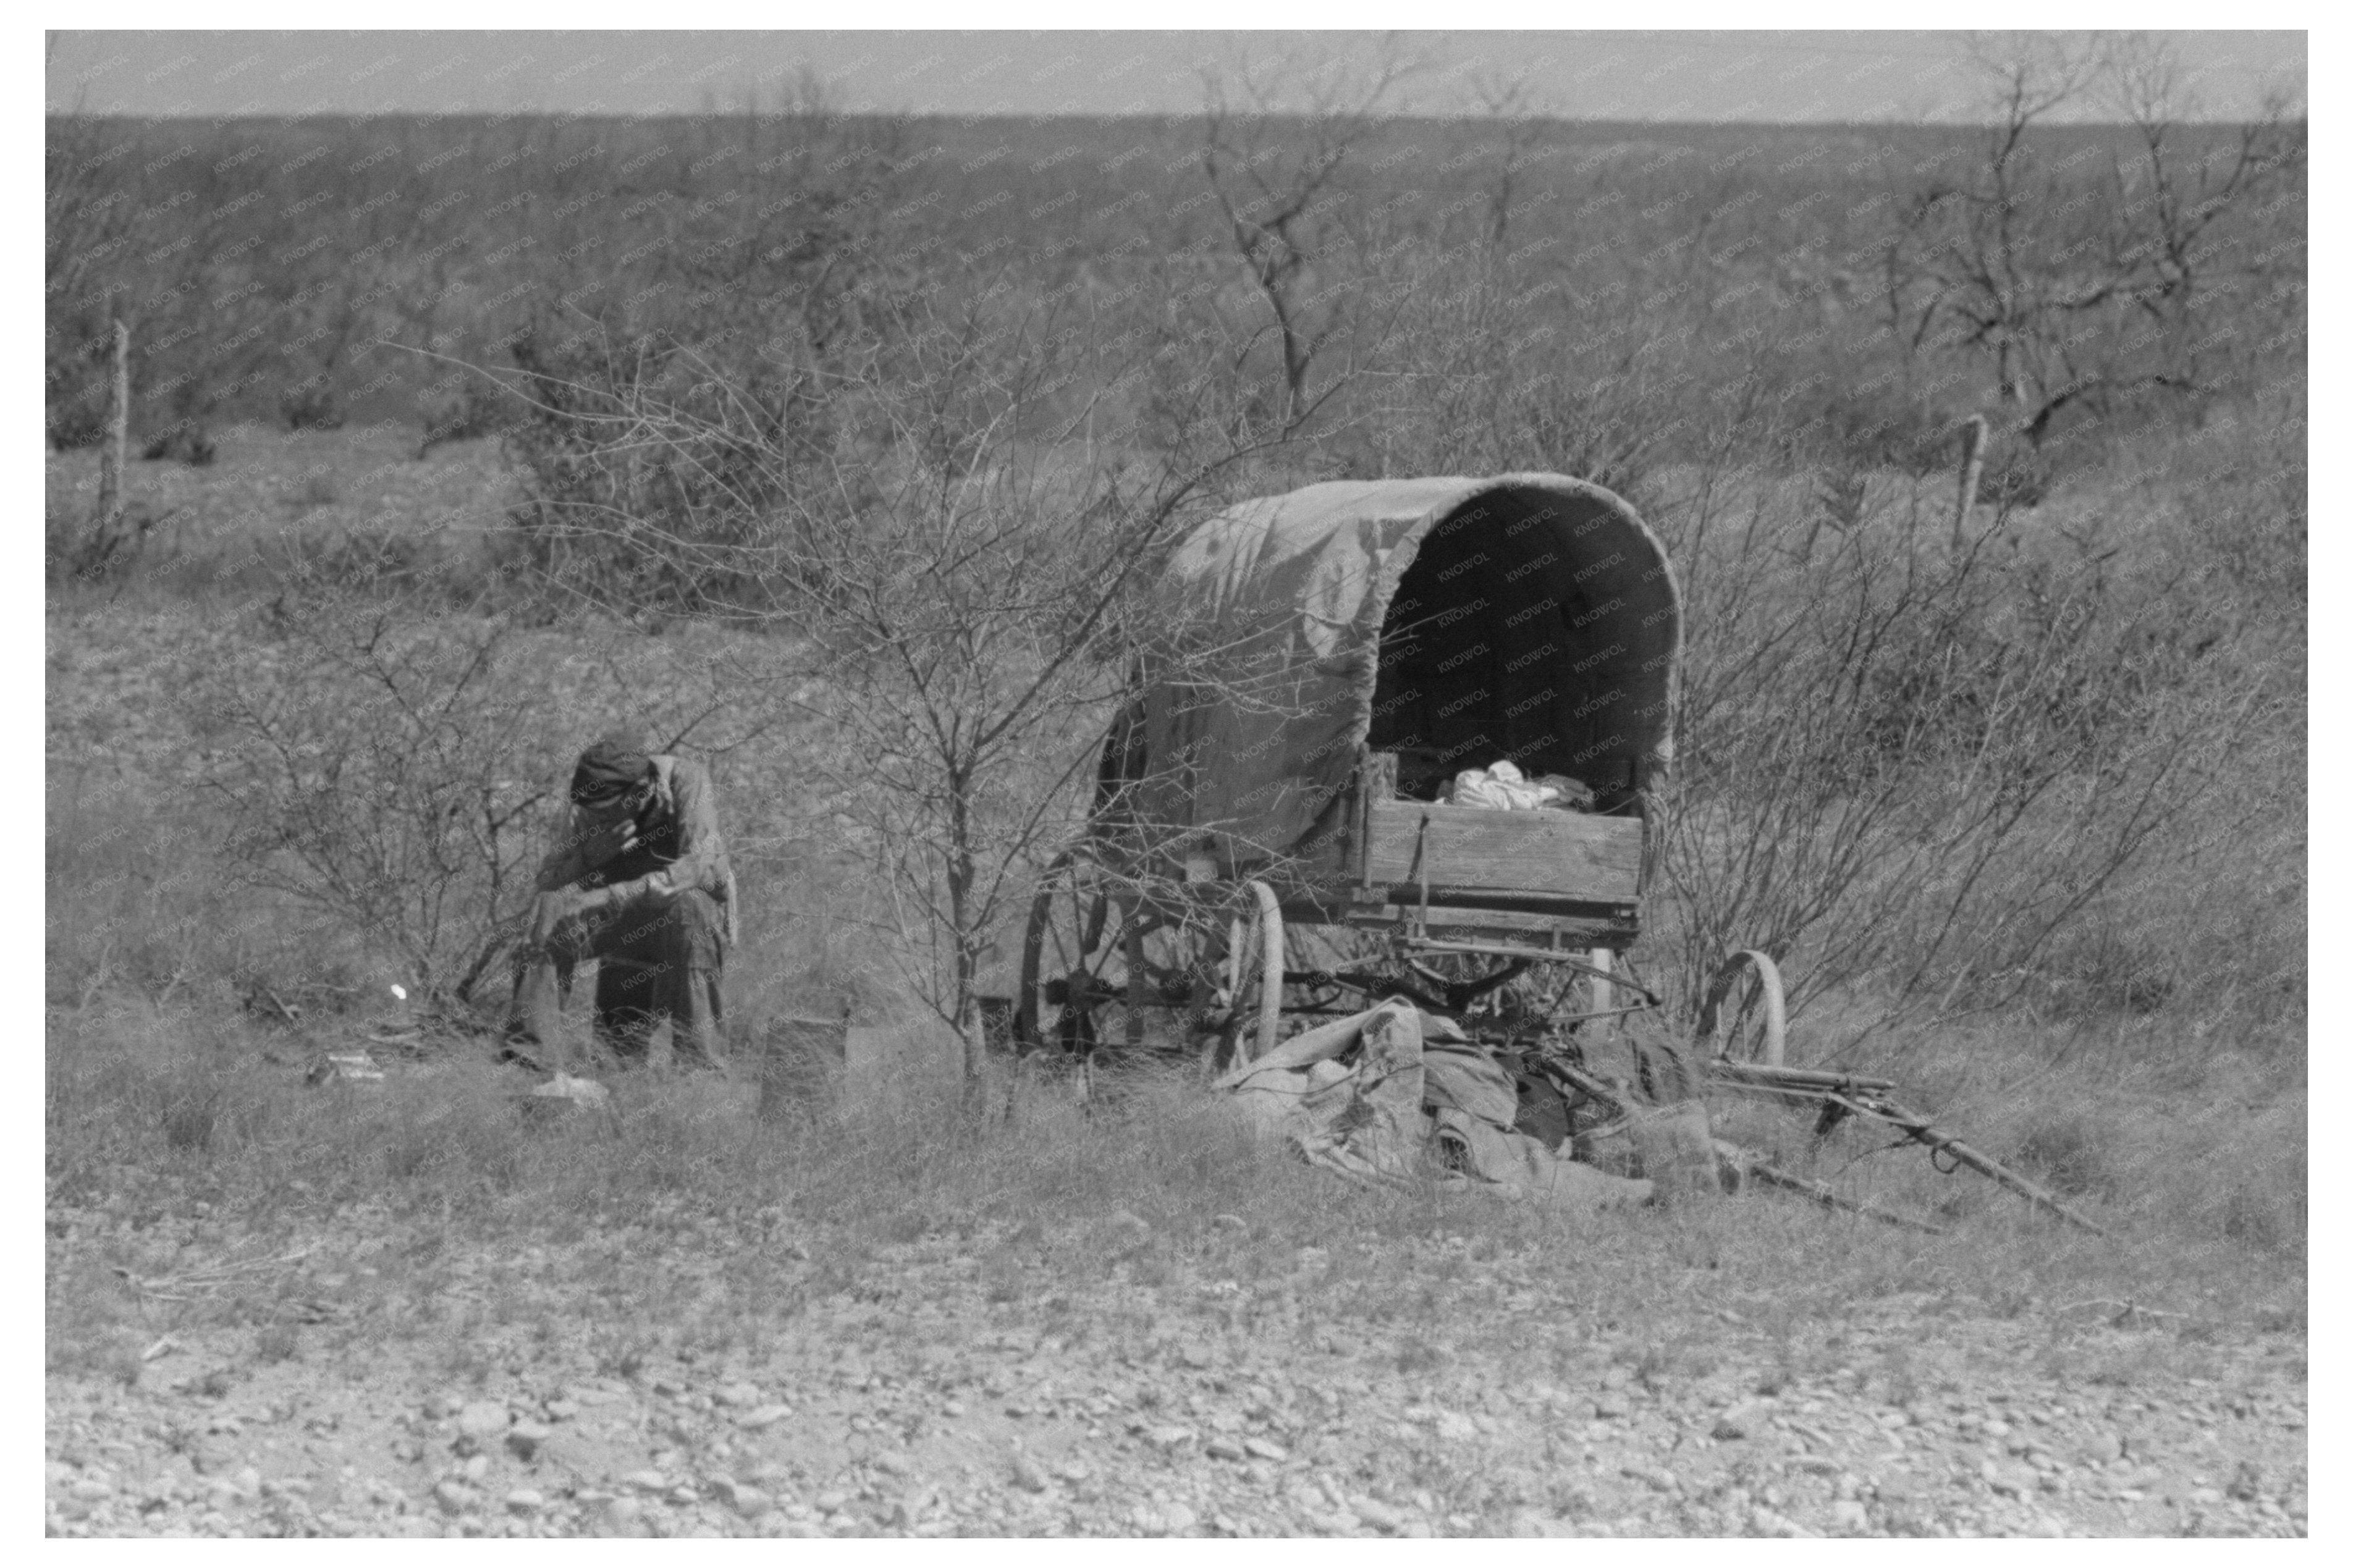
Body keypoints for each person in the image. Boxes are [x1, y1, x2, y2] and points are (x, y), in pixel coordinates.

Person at [505, 727, 736, 1072]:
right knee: (550, 910)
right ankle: (528, 1060)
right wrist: (593, 854)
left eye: (608, 812)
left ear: (642, 791)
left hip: (686, 925)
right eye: (594, 812)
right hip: (622, 922)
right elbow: (548, 881)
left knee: (690, 907)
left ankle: (699, 1071)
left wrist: (609, 894)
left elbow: (697, 864)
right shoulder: (585, 808)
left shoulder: (686, 779)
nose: (599, 819)